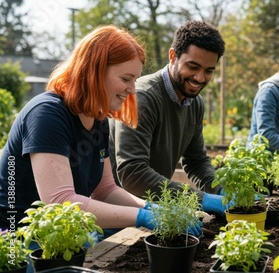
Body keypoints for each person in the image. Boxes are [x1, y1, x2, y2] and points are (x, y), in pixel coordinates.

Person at [0, 25, 201, 240]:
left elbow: (104, 190)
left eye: (135, 80)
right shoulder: (47, 115)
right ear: (93, 72)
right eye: (125, 79)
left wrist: (153, 208)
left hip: (62, 237)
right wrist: (141, 216)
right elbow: (59, 201)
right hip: (17, 239)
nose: (133, 89)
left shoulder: (98, 118)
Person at [109, 21, 227, 217]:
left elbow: (196, 162)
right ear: (173, 56)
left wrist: (220, 189)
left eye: (208, 71)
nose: (199, 78)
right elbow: (132, 173)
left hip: (157, 210)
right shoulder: (143, 97)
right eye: (193, 66)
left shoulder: (195, 103)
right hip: (122, 213)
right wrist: (202, 199)